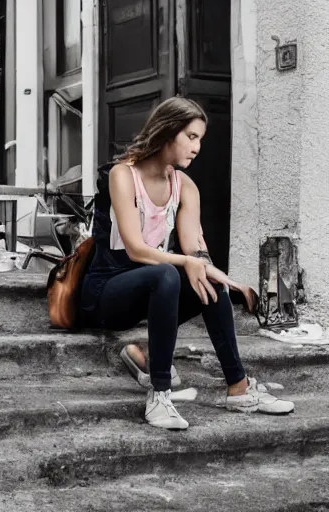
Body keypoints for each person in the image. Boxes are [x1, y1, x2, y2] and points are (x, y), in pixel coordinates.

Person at [78, 96, 294, 430]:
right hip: (106, 291)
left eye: (200, 140)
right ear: (167, 133)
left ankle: (237, 386)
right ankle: (159, 394)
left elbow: (195, 252)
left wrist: (226, 279)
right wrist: (188, 263)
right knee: (166, 274)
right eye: (191, 137)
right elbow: (135, 249)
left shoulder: (185, 187)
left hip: (150, 287)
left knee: (208, 282)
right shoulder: (123, 175)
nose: (197, 147)